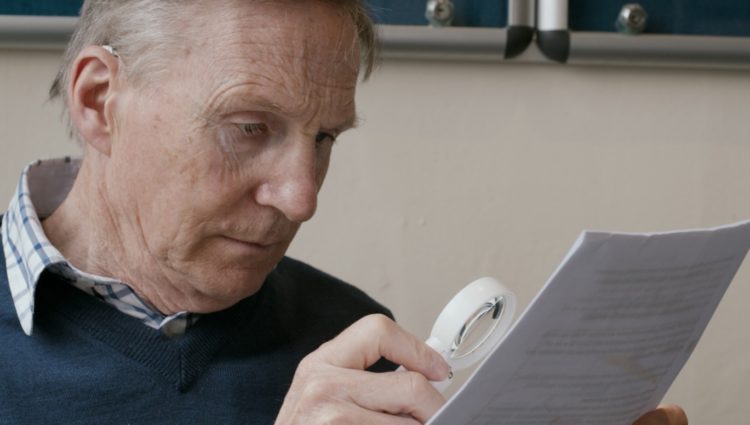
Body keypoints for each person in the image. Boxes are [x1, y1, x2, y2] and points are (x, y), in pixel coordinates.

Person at [0, 1, 688, 424]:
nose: (303, 196)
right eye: (248, 127)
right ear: (99, 102)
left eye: (324, 138)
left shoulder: (352, 340)